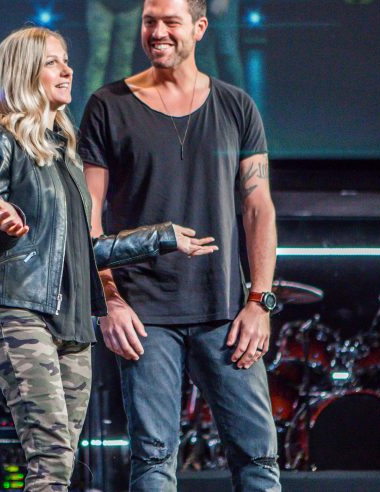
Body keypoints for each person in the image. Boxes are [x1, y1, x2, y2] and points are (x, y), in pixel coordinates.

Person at [0, 26, 218, 491]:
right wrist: (1, 228)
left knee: (62, 462)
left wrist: (160, 238)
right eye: (52, 62)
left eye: (66, 60)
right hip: (19, 311)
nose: (67, 70)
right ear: (23, 74)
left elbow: (84, 251)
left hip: (74, 322)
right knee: (51, 459)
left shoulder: (66, 153)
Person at [78, 0, 281, 490]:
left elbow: (258, 208)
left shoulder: (236, 106)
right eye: (150, 21)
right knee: (153, 463)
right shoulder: (108, 105)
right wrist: (109, 301)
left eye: (171, 21)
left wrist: (259, 302)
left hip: (225, 312)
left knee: (258, 460)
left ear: (200, 27)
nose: (158, 32)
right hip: (143, 316)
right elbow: (89, 217)